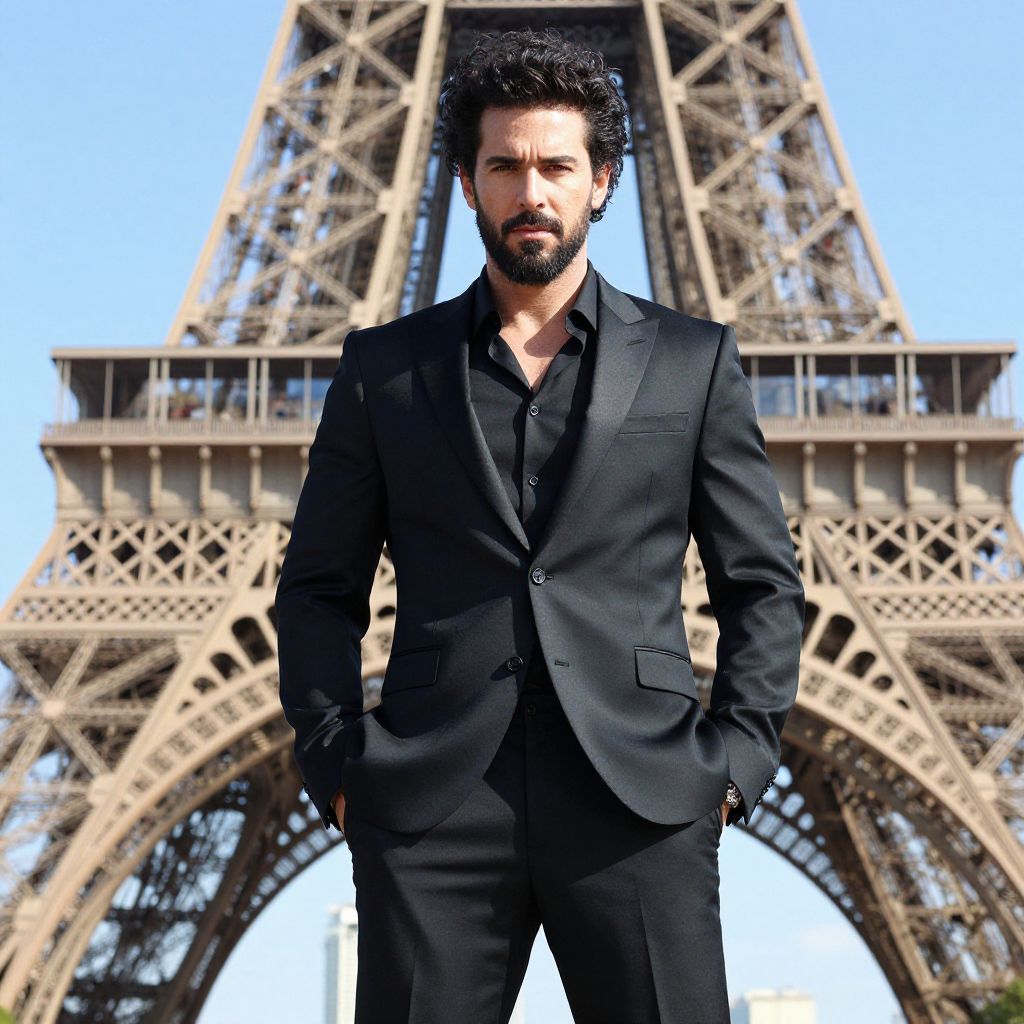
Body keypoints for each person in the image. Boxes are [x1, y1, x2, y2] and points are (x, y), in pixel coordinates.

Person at [275, 27, 805, 1024]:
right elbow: (317, 588)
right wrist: (339, 766)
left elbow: (761, 582)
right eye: (506, 165)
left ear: (600, 179)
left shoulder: (691, 361)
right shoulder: (383, 368)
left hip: (642, 797)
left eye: (556, 165)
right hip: (433, 800)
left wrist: (734, 767)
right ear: (467, 182)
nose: (533, 190)